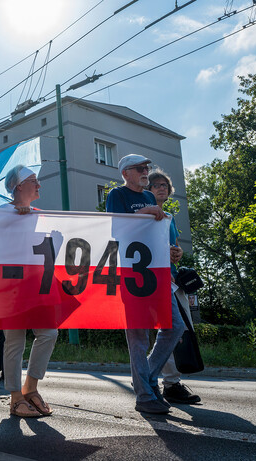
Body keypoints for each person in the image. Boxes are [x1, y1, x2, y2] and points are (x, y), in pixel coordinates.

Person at [105, 154, 186, 415]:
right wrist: (144, 212)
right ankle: (144, 395)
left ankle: (147, 380)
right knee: (138, 334)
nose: (145, 172)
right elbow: (116, 229)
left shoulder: (151, 197)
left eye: (147, 168)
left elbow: (154, 233)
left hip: (157, 270)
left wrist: (171, 251)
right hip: (131, 273)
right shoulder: (117, 195)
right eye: (140, 168)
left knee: (175, 326)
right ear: (126, 173)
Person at [0, 165, 58, 417]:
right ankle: (14, 398)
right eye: (34, 180)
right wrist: (13, 218)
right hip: (9, 284)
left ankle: (30, 388)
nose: (39, 185)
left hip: (36, 284)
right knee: (15, 340)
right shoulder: (1, 211)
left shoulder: (39, 214)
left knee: (49, 332)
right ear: (18, 187)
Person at [148, 169, 202, 405]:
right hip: (155, 280)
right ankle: (168, 382)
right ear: (148, 190)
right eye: (156, 185)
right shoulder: (145, 216)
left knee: (176, 332)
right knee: (169, 330)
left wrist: (178, 252)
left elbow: (174, 246)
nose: (162, 188)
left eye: (165, 186)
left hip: (173, 280)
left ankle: (162, 380)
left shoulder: (169, 217)